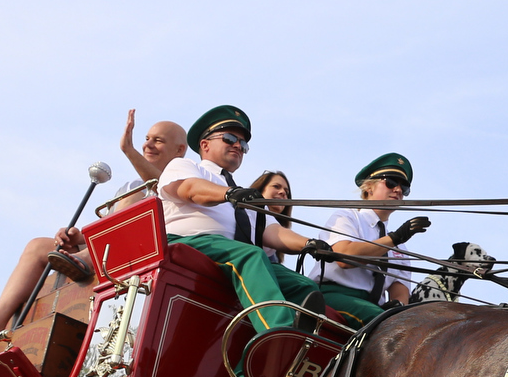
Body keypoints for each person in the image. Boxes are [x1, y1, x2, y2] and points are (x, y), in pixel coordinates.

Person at [0, 117, 189, 346]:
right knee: (37, 246)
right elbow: (110, 226)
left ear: (180, 150)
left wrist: (128, 150)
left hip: (146, 254)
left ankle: (88, 259)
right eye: (146, 139)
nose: (148, 145)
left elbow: (162, 188)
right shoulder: (131, 184)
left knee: (138, 196)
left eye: (158, 141)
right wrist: (77, 240)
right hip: (105, 251)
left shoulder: (188, 178)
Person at [158, 106, 325, 342]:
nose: (238, 146)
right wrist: (228, 193)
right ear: (205, 145)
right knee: (251, 256)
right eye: (229, 138)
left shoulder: (246, 195)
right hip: (189, 242)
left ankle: (289, 354)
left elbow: (272, 231)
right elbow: (189, 189)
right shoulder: (187, 167)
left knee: (304, 285)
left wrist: (309, 244)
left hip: (230, 252)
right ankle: (278, 337)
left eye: (243, 144)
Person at [312, 154, 431, 324]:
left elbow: (401, 291)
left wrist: (397, 305)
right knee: (384, 326)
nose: (397, 190)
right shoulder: (347, 217)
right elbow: (344, 257)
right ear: (369, 187)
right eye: (391, 182)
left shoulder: (400, 248)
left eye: (403, 187)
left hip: (374, 308)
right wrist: (394, 238)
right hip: (334, 295)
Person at [245, 171, 296, 264]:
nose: (283, 192)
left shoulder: (274, 254)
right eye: (276, 186)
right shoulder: (242, 213)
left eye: (286, 192)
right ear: (260, 190)